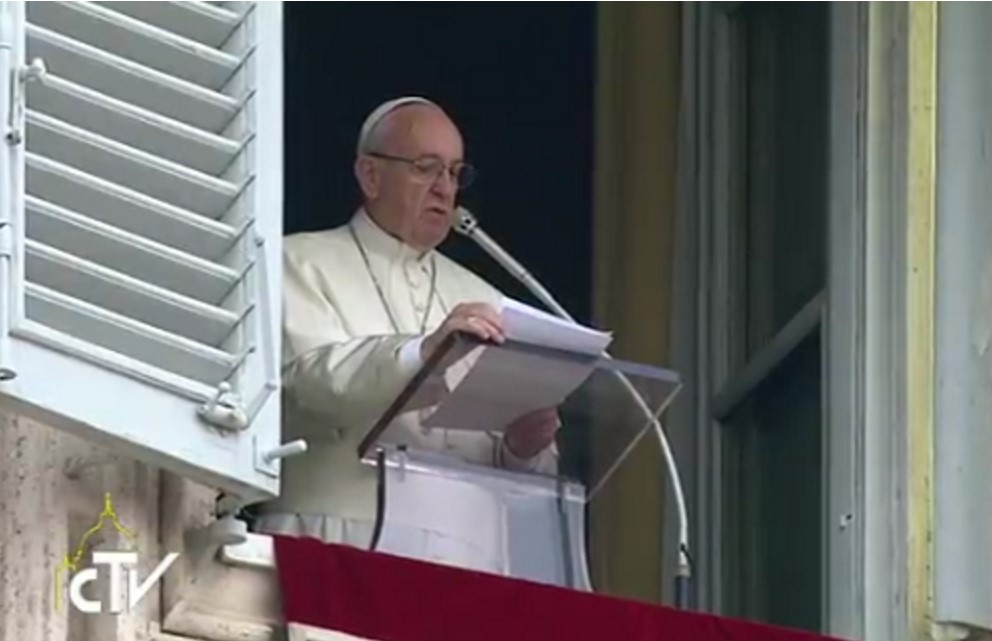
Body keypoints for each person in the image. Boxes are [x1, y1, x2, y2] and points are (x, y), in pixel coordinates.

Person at [254, 97, 560, 553]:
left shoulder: (483, 296)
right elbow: (308, 388)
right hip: (341, 538)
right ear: (370, 175)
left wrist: (522, 448)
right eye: (426, 168)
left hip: (467, 552)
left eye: (455, 173)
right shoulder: (295, 261)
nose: (444, 188)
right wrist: (422, 354)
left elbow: (515, 471)